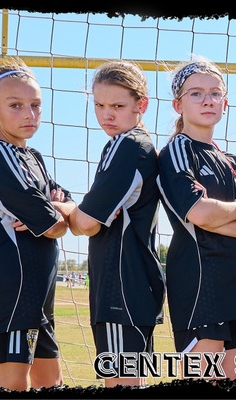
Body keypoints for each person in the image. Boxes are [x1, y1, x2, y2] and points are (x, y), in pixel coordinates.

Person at [156, 58, 236, 380]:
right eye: (196, 93)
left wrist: (218, 216)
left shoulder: (232, 161)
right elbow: (199, 213)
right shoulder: (177, 151)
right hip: (199, 280)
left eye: (215, 93)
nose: (207, 100)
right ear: (178, 105)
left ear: (225, 104)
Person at [0, 63, 74, 390]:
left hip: (37, 294)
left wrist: (52, 207)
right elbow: (54, 226)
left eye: (36, 105)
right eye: (15, 105)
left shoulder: (34, 158)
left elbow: (68, 209)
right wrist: (51, 213)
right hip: (11, 291)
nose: (29, 114)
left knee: (51, 382)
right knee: (12, 384)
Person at [66, 60, 166, 387]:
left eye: (117, 106)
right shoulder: (128, 144)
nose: (106, 114)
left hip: (120, 289)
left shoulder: (129, 146)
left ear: (141, 105)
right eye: (99, 105)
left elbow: (87, 223)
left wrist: (62, 207)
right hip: (132, 288)